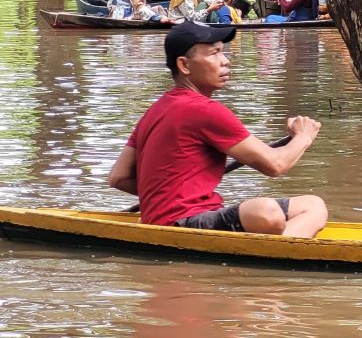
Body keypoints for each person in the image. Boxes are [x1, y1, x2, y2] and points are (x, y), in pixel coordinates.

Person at [107, 22, 327, 236]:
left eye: (223, 52)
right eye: (214, 54)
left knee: (313, 206)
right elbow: (275, 165)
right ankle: (272, 252)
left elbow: (118, 177)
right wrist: (302, 136)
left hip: (160, 220)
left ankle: (275, 248)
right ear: (184, 65)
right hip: (184, 224)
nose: (225, 61)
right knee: (268, 212)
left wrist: (161, 196)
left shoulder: (154, 110)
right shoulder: (205, 110)